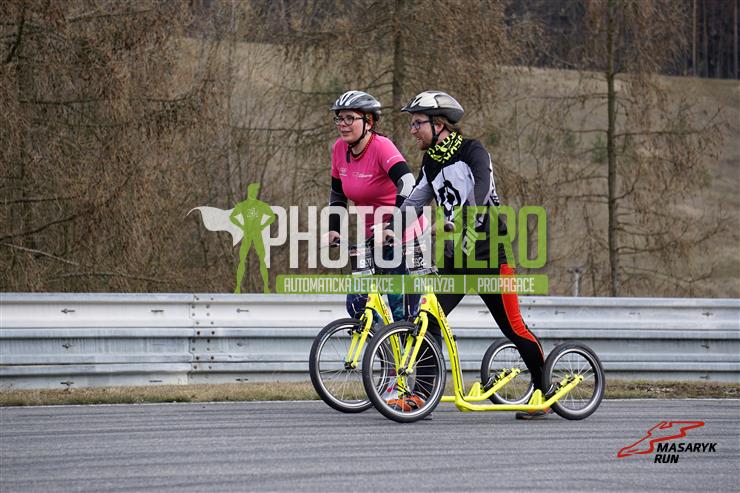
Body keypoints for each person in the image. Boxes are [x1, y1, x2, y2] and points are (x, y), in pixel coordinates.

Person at [387, 90, 549, 419]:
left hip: (490, 254)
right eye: (412, 124)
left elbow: (481, 190)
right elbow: (415, 201)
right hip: (456, 260)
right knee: (428, 320)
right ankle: (421, 395)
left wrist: (458, 220)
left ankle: (544, 390)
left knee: (513, 327)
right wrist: (389, 229)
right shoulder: (431, 162)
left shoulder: (473, 151)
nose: (413, 130)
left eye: (417, 123)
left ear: (439, 124)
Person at [325, 90, 419, 321]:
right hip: (371, 239)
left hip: (402, 237)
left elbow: (408, 183)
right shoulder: (339, 149)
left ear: (368, 121)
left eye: (350, 118)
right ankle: (381, 342)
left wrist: (393, 226)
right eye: (339, 118)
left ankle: (407, 344)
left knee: (401, 312)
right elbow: (338, 192)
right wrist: (333, 228)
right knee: (357, 305)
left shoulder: (381, 146)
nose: (343, 124)